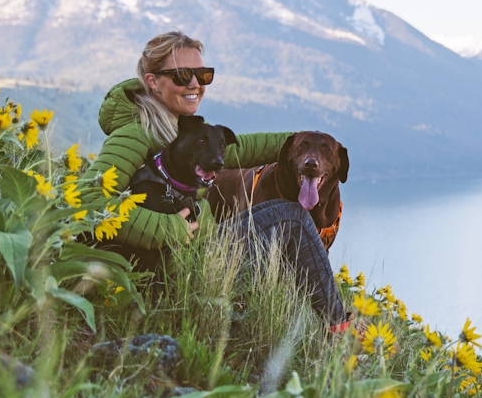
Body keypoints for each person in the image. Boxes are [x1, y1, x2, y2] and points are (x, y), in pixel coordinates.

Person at [80, 31, 350, 331]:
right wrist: (168, 229)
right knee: (294, 219)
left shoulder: (177, 130)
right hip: (188, 265)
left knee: (288, 219)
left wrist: (301, 145)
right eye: (182, 75)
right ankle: (339, 327)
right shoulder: (136, 132)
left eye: (202, 74)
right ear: (153, 81)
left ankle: (329, 324)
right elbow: (88, 202)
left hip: (194, 252)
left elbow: (244, 149)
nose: (195, 84)